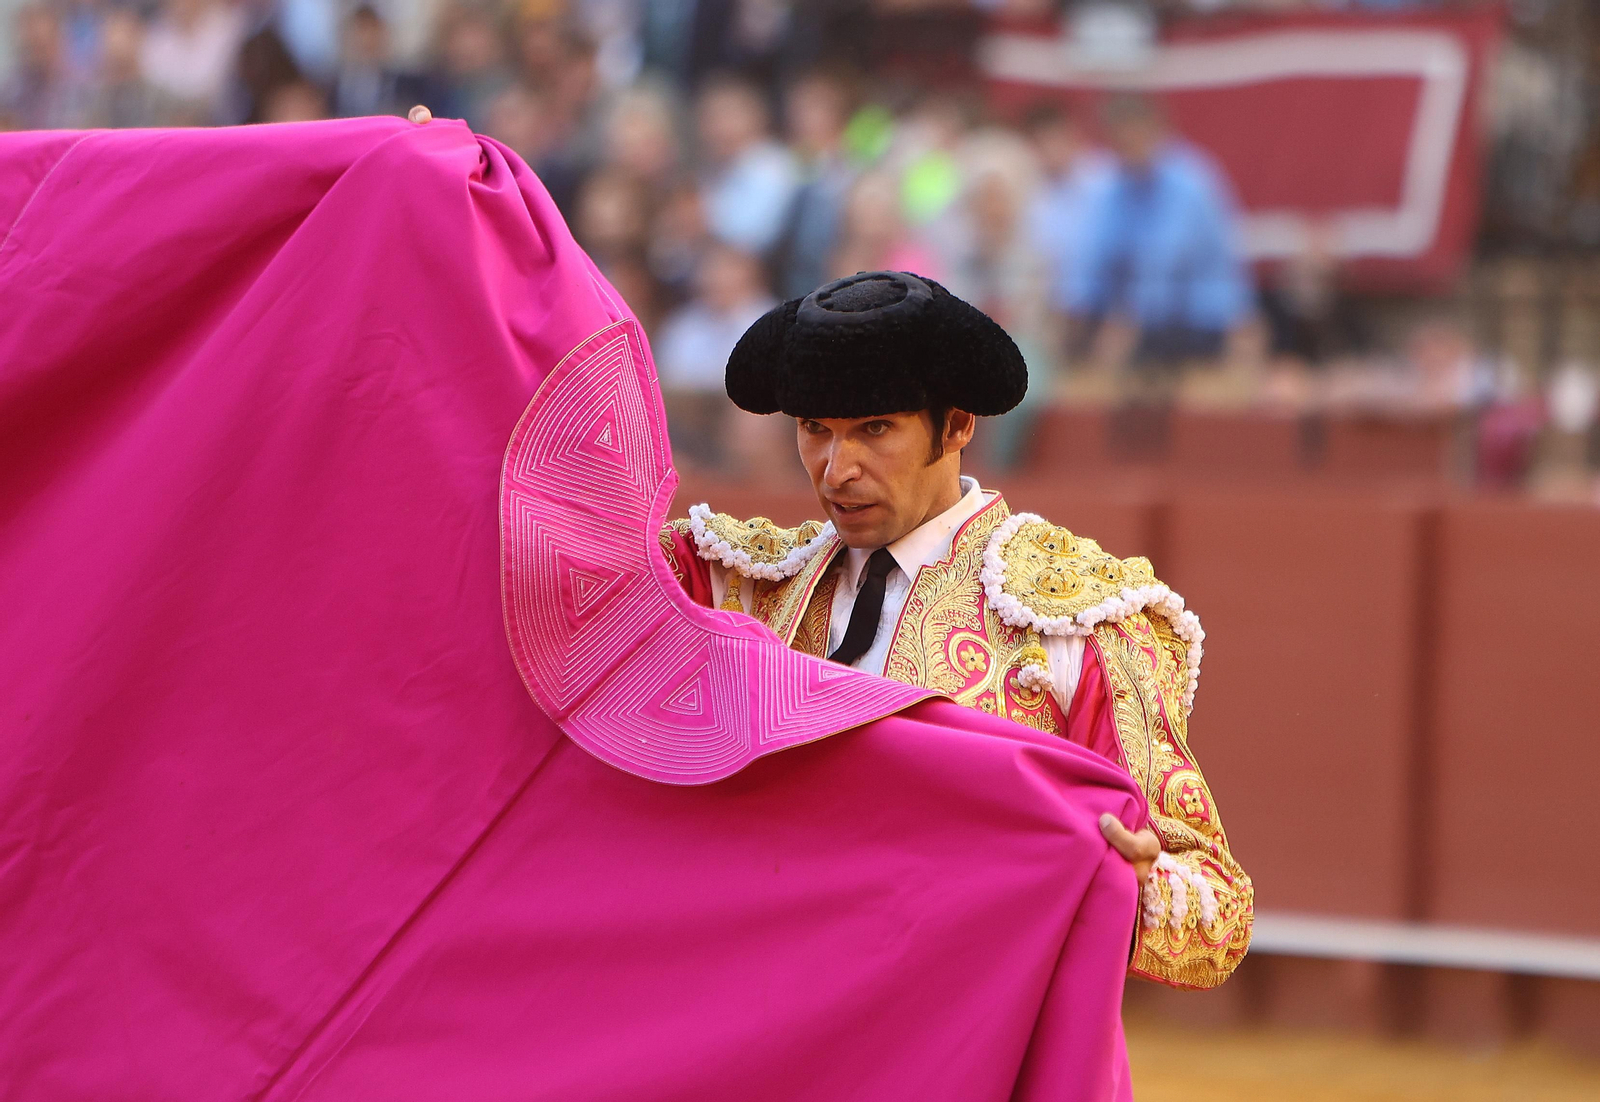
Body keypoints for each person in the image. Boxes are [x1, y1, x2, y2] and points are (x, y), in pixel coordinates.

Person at [659, 270, 1253, 989]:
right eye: (815, 430)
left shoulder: (1068, 619)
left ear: (959, 425)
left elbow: (1217, 909)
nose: (836, 470)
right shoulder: (748, 587)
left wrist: (1134, 890)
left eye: (874, 430)